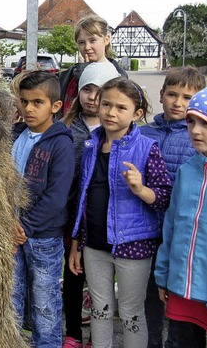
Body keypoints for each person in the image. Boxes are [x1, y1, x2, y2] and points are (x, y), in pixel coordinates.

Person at [69, 77, 172, 348]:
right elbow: (84, 196)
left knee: (131, 313)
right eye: (106, 104)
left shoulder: (147, 149)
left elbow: (163, 198)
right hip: (94, 245)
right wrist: (77, 243)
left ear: (137, 114)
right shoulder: (91, 146)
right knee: (99, 309)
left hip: (133, 246)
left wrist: (140, 189)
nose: (111, 112)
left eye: (121, 107)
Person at [139, 66, 206, 348]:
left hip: (181, 234)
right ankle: (151, 341)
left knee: (182, 302)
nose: (178, 103)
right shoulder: (144, 132)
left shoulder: (199, 137)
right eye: (172, 95)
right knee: (149, 295)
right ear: (162, 95)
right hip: (145, 229)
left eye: (188, 97)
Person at [11, 70, 75, 348]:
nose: (29, 108)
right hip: (9, 233)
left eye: (37, 102)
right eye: (24, 102)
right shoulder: (16, 136)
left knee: (45, 303)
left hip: (43, 237)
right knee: (10, 298)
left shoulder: (61, 143)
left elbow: (56, 197)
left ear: (56, 106)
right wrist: (9, 224)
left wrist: (24, 226)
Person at [62, 63, 121, 348]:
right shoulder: (66, 130)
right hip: (71, 218)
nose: (92, 97)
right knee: (72, 277)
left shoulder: (116, 132)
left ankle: (99, 337)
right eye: (87, 89)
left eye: (99, 91)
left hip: (102, 219)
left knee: (100, 283)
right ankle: (73, 332)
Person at [155, 85, 207, 348]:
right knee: (182, 342)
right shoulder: (187, 170)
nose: (195, 131)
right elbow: (172, 226)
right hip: (183, 286)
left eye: (206, 123)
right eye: (191, 122)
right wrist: (164, 274)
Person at [59, 14, 127, 117]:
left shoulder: (117, 76)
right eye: (81, 42)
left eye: (92, 40)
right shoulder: (70, 74)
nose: (87, 47)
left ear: (106, 39)